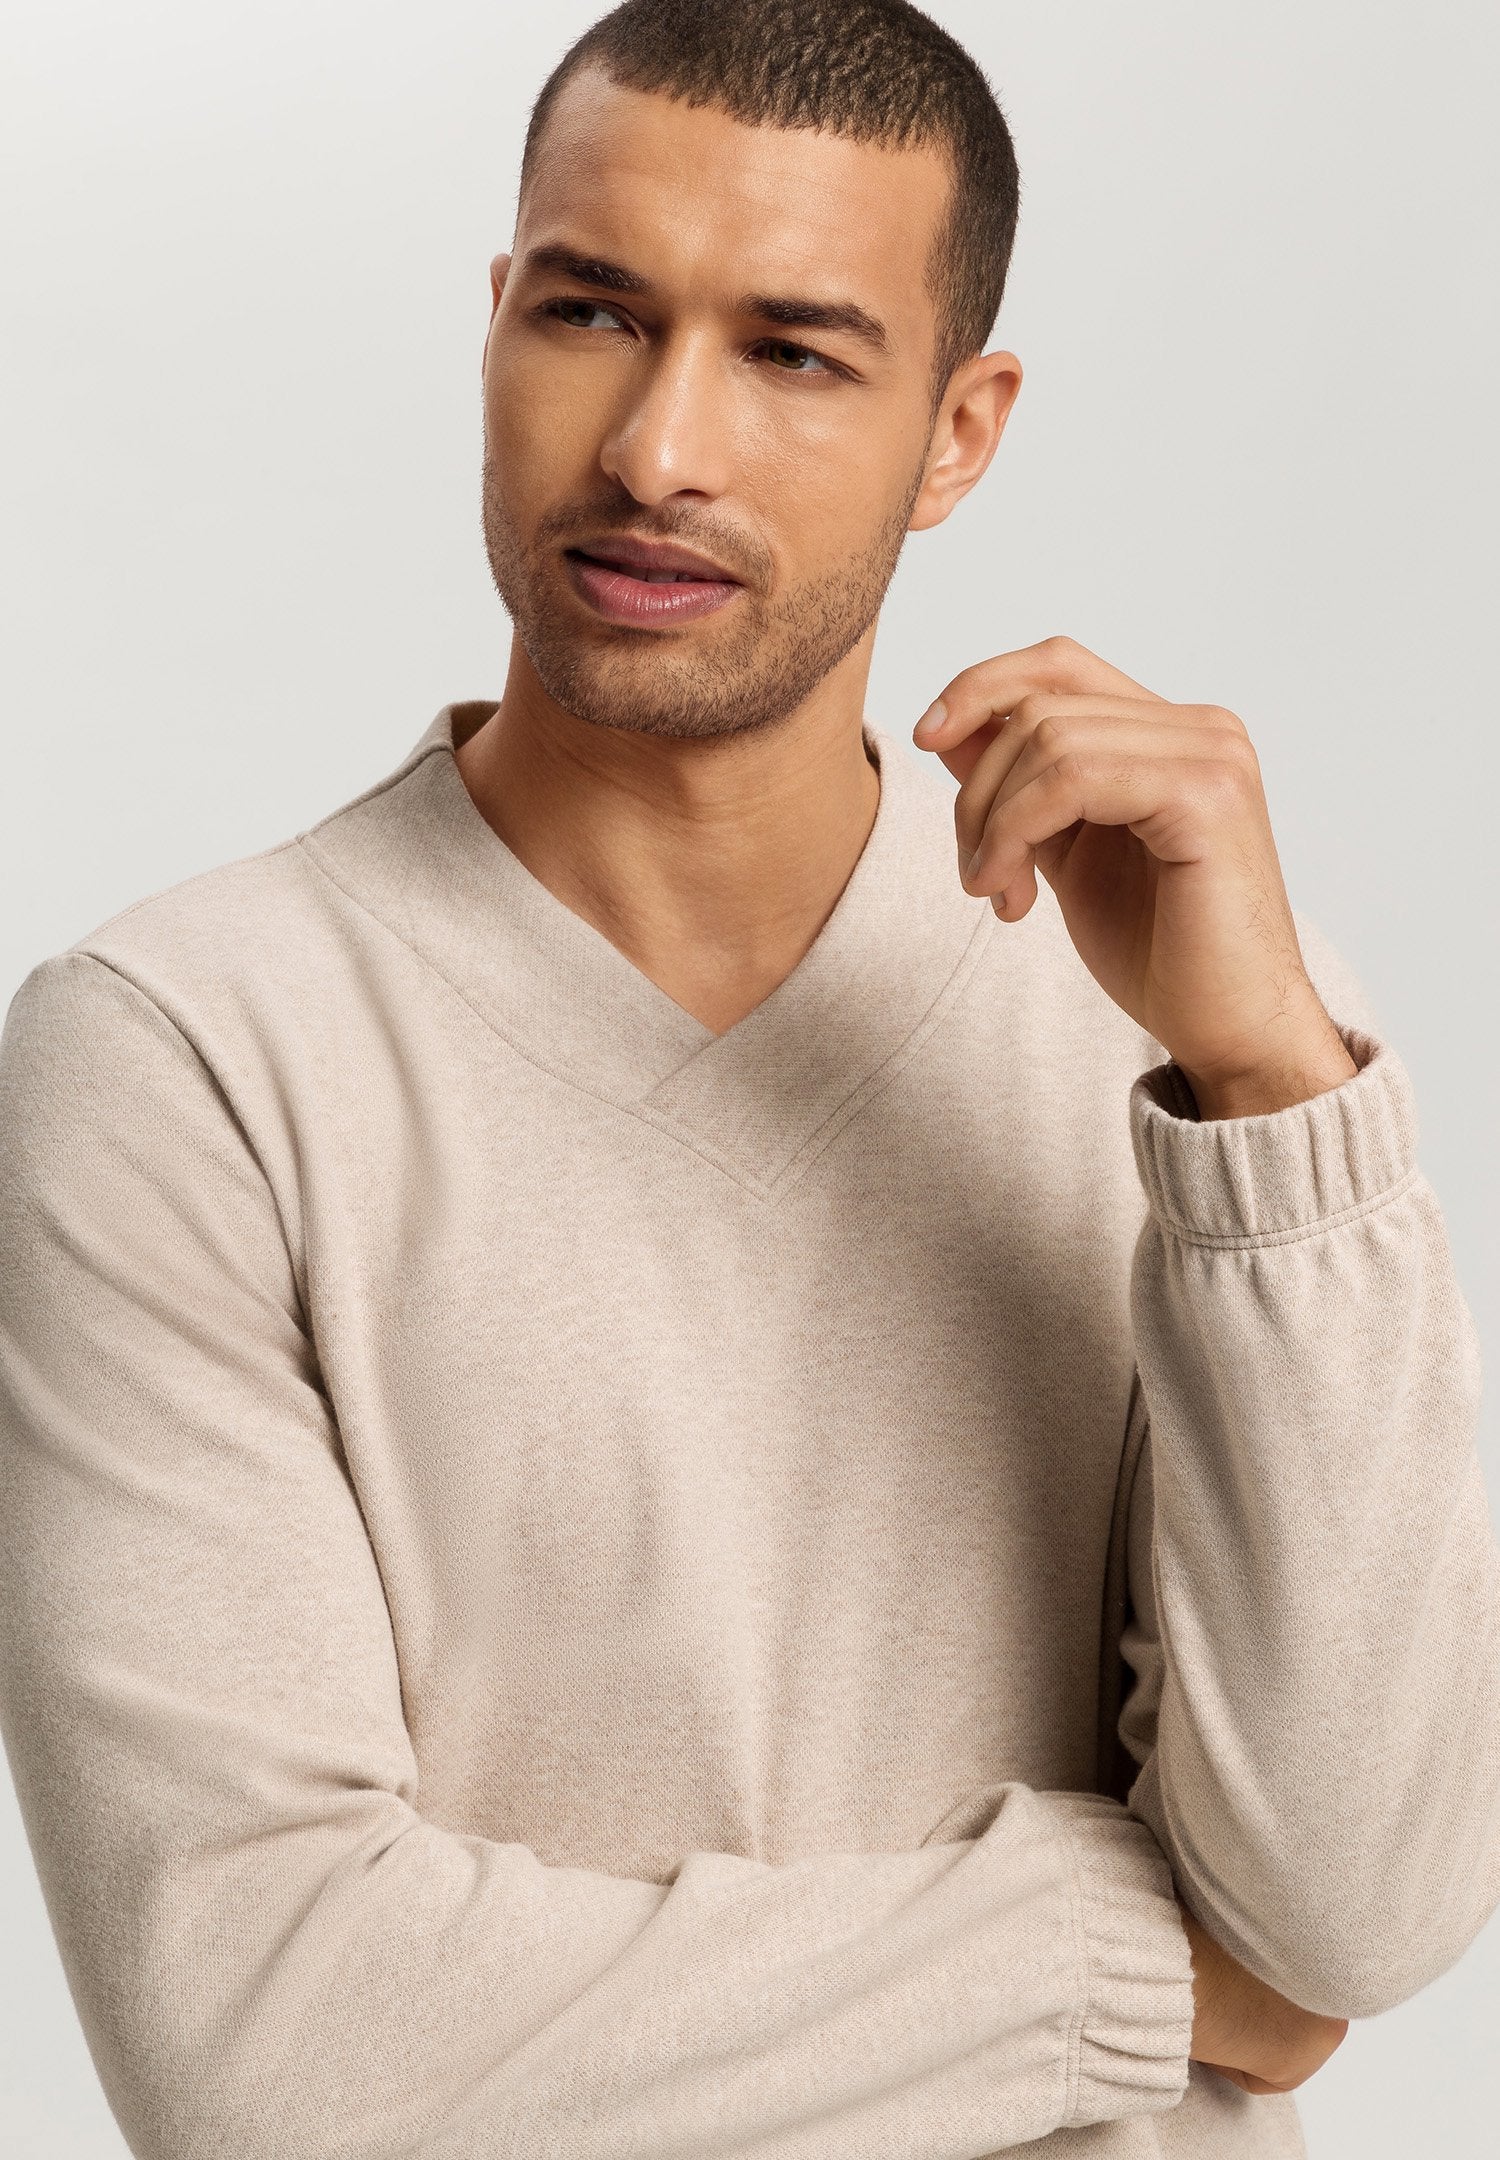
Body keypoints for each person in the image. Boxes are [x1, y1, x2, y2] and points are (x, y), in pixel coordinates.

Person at [1, 2, 1496, 2154]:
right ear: (495, 323)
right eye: (592, 312)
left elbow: (1356, 1916)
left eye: (793, 352)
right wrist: (1140, 1969)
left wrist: (1272, 1095)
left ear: (959, 434)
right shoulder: (184, 1056)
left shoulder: (1188, 1047)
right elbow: (268, 2056)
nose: (656, 449)